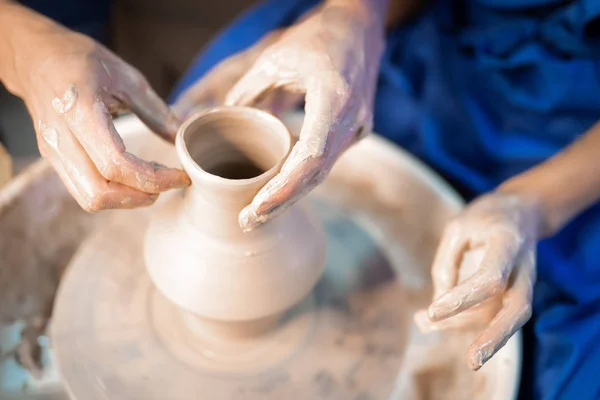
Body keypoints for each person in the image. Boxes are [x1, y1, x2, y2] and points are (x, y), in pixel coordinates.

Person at [2, 0, 600, 398]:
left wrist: (531, 205)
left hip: (572, 129)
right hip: (411, 27)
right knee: (214, 99)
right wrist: (355, 16)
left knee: (554, 354)